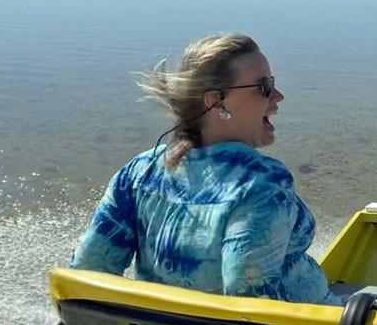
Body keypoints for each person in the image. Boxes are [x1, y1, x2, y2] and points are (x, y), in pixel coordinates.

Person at [71, 33, 340, 304]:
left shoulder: (138, 173)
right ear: (216, 102)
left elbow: (86, 276)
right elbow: (250, 305)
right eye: (264, 87)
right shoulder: (260, 184)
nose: (278, 97)